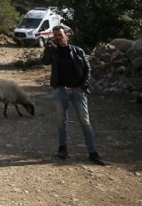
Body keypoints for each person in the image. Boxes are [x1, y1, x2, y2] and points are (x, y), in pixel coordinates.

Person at [42, 25, 106, 166]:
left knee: (85, 122)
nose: (57, 37)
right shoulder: (53, 51)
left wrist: (83, 86)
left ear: (67, 36)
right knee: (61, 121)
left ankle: (93, 152)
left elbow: (87, 69)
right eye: (55, 35)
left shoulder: (78, 51)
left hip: (78, 91)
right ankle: (62, 149)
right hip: (60, 90)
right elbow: (44, 61)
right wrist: (50, 48)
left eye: (60, 35)